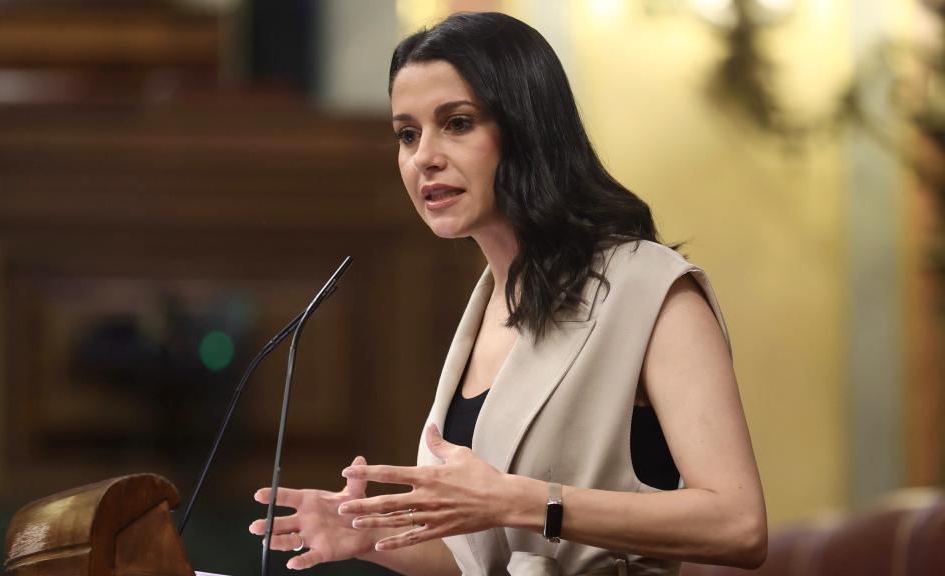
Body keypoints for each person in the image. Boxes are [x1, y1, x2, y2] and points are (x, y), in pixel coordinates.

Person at [250, 11, 766, 575]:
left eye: (458, 123)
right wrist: (368, 535)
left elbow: (737, 525)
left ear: (526, 128)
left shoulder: (651, 289)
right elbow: (485, 557)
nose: (424, 156)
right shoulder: (485, 305)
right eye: (407, 133)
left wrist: (523, 501)